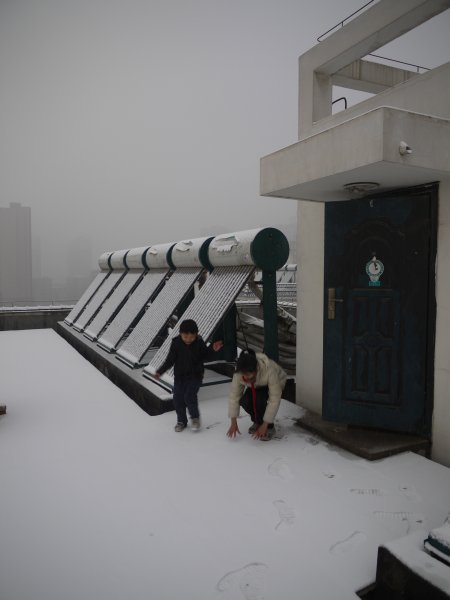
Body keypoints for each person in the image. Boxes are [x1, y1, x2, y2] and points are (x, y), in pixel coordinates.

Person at [155, 319, 223, 432]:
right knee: (177, 399)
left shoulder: (199, 343)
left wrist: (212, 349)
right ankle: (181, 421)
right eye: (185, 337)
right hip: (180, 377)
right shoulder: (176, 343)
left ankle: (195, 418)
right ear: (180, 334)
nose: (188, 340)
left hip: (195, 376)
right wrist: (160, 371)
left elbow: (206, 356)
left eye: (191, 337)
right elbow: (170, 360)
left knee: (189, 396)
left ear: (196, 335)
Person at [226, 348, 287, 441]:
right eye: (244, 375)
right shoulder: (239, 373)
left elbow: (274, 398)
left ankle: (269, 427)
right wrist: (233, 422)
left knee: (261, 400)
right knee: (245, 400)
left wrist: (265, 424)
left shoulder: (269, 369)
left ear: (257, 367)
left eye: (249, 375)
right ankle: (257, 421)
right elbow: (234, 396)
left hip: (275, 383)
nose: (246, 377)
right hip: (256, 385)